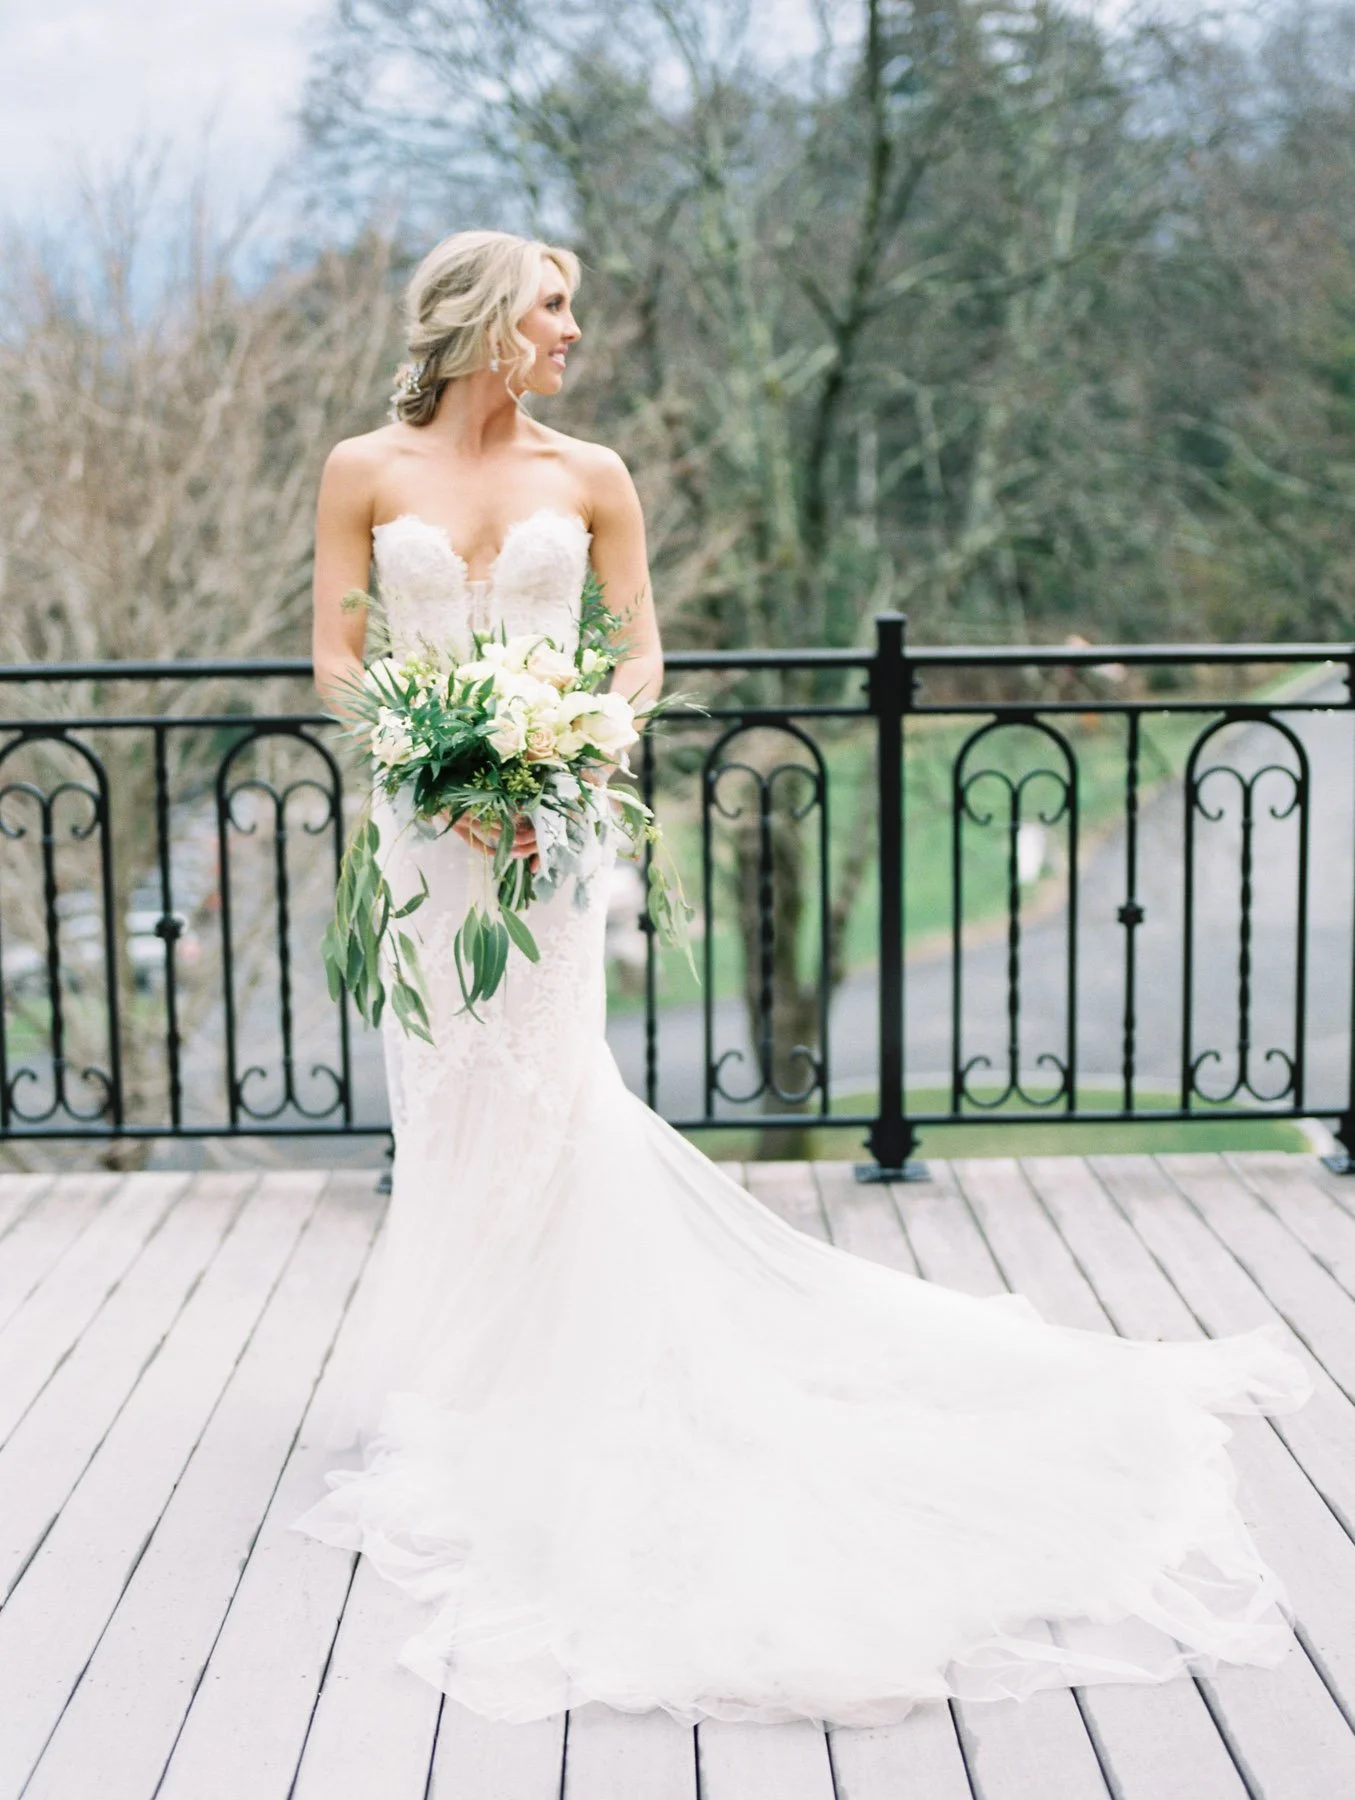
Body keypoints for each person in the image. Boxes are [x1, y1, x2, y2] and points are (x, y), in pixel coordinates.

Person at [292, 227, 1311, 1729]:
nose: (576, 330)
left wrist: (565, 744)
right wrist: (438, 766)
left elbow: (636, 656)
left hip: (549, 833)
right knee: (448, 1086)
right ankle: (466, 1366)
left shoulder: (597, 475)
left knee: (556, 1083)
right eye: (556, 307)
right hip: (430, 835)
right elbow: (333, 654)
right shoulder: (358, 468)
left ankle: (550, 1365)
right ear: (484, 320)